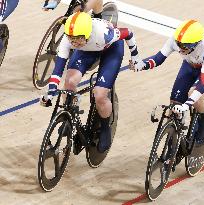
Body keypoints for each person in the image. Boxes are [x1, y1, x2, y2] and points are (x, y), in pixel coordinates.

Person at [40, 12, 145, 153]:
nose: (73, 43)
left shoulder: (105, 34)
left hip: (110, 50)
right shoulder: (70, 39)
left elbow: (128, 33)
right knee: (70, 82)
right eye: (71, 39)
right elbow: (58, 70)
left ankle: (105, 127)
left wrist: (136, 56)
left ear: (87, 34)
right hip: (87, 49)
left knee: (100, 94)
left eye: (76, 39)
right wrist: (51, 92)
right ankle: (69, 115)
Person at [131, 19, 204, 144]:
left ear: (196, 43)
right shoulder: (175, 41)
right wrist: (142, 65)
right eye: (179, 44)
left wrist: (186, 105)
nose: (180, 48)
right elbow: (158, 59)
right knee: (174, 103)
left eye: (185, 46)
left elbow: (201, 86)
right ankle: (172, 143)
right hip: (189, 66)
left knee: (192, 93)